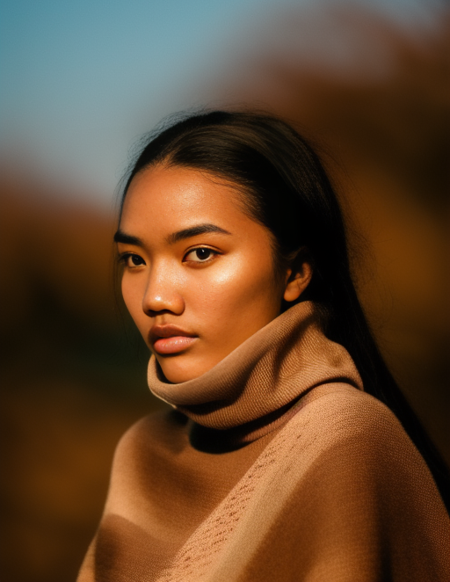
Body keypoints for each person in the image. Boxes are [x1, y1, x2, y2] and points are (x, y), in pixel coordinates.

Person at [77, 110, 450, 582]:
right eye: (133, 259)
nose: (155, 297)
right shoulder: (142, 453)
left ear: (295, 273)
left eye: (200, 253)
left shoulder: (345, 439)